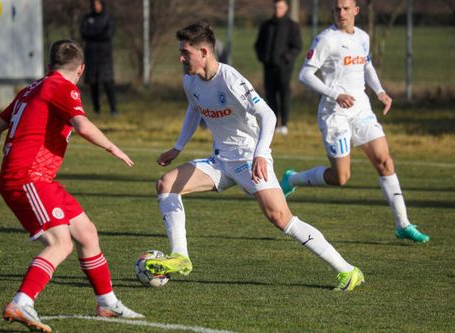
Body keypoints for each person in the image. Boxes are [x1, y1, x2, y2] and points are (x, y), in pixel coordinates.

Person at [143, 21, 365, 292]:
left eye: (185, 52)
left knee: (280, 217)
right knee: (167, 185)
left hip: (249, 159)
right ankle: (181, 256)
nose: (180, 57)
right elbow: (195, 107)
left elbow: (268, 114)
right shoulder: (190, 79)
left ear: (203, 52)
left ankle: (348, 271)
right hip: (220, 161)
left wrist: (261, 154)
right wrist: (178, 146)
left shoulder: (230, 79)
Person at [0, 39, 144, 333]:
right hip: (28, 177)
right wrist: (112, 147)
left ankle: (107, 302)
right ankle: (22, 302)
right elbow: (81, 125)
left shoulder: (31, 88)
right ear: (81, 69)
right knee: (60, 243)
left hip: (38, 178)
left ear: (49, 65)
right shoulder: (62, 87)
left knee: (86, 233)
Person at [280, 0, 430, 243]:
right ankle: (292, 178)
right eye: (337, 9)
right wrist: (335, 94)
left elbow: (366, 65)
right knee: (341, 177)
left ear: (356, 10)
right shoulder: (325, 39)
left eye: (346, 8)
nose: (341, 13)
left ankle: (403, 224)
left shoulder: (362, 36)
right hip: (334, 113)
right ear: (333, 11)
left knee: (384, 161)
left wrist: (380, 91)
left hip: (361, 109)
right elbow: (305, 74)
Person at [255, 0, 302, 135]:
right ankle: (273, 124)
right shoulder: (266, 26)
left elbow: (297, 46)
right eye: (276, 7)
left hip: (284, 68)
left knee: (284, 94)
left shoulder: (292, 26)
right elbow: (258, 44)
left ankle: (284, 124)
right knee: (270, 95)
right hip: (268, 67)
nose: (278, 10)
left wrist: (286, 59)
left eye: (280, 7)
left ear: (286, 8)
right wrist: (263, 57)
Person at [80, 0, 118, 115]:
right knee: (93, 83)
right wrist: (97, 35)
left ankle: (114, 109)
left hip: (105, 56)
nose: (95, 6)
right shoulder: (87, 18)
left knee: (108, 82)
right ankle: (96, 109)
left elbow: (108, 34)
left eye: (98, 4)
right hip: (91, 54)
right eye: (94, 4)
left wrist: (93, 36)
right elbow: (84, 33)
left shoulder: (108, 18)